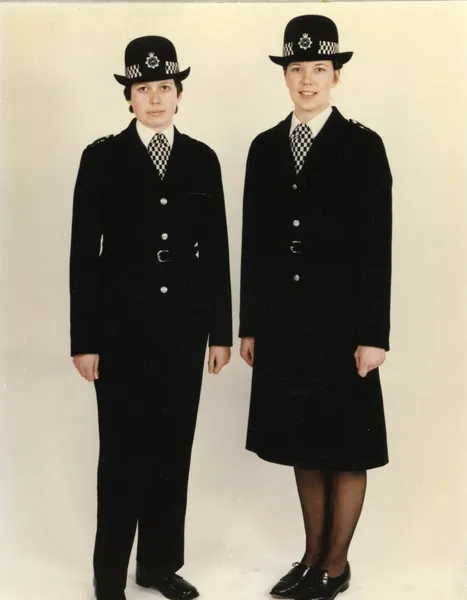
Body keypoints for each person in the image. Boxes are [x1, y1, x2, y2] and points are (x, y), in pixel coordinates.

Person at [70, 36, 232, 600]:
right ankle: (110, 572)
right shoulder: (102, 157)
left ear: (179, 94)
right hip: (118, 335)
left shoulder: (201, 159)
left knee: (172, 449)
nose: (155, 98)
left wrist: (221, 333)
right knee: (121, 453)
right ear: (129, 97)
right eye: (143, 88)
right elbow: (82, 256)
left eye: (164, 87)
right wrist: (84, 340)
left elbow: (216, 251)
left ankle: (159, 565)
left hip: (184, 333)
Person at [239, 15, 392, 600]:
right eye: (297, 69)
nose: (307, 81)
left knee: (347, 441)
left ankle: (336, 564)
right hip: (284, 323)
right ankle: (309, 557)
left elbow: (376, 244)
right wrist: (251, 324)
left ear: (337, 75)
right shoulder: (264, 147)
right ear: (285, 74)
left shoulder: (362, 146)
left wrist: (373, 334)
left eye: (319, 70)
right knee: (305, 440)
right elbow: (255, 241)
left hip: (344, 324)